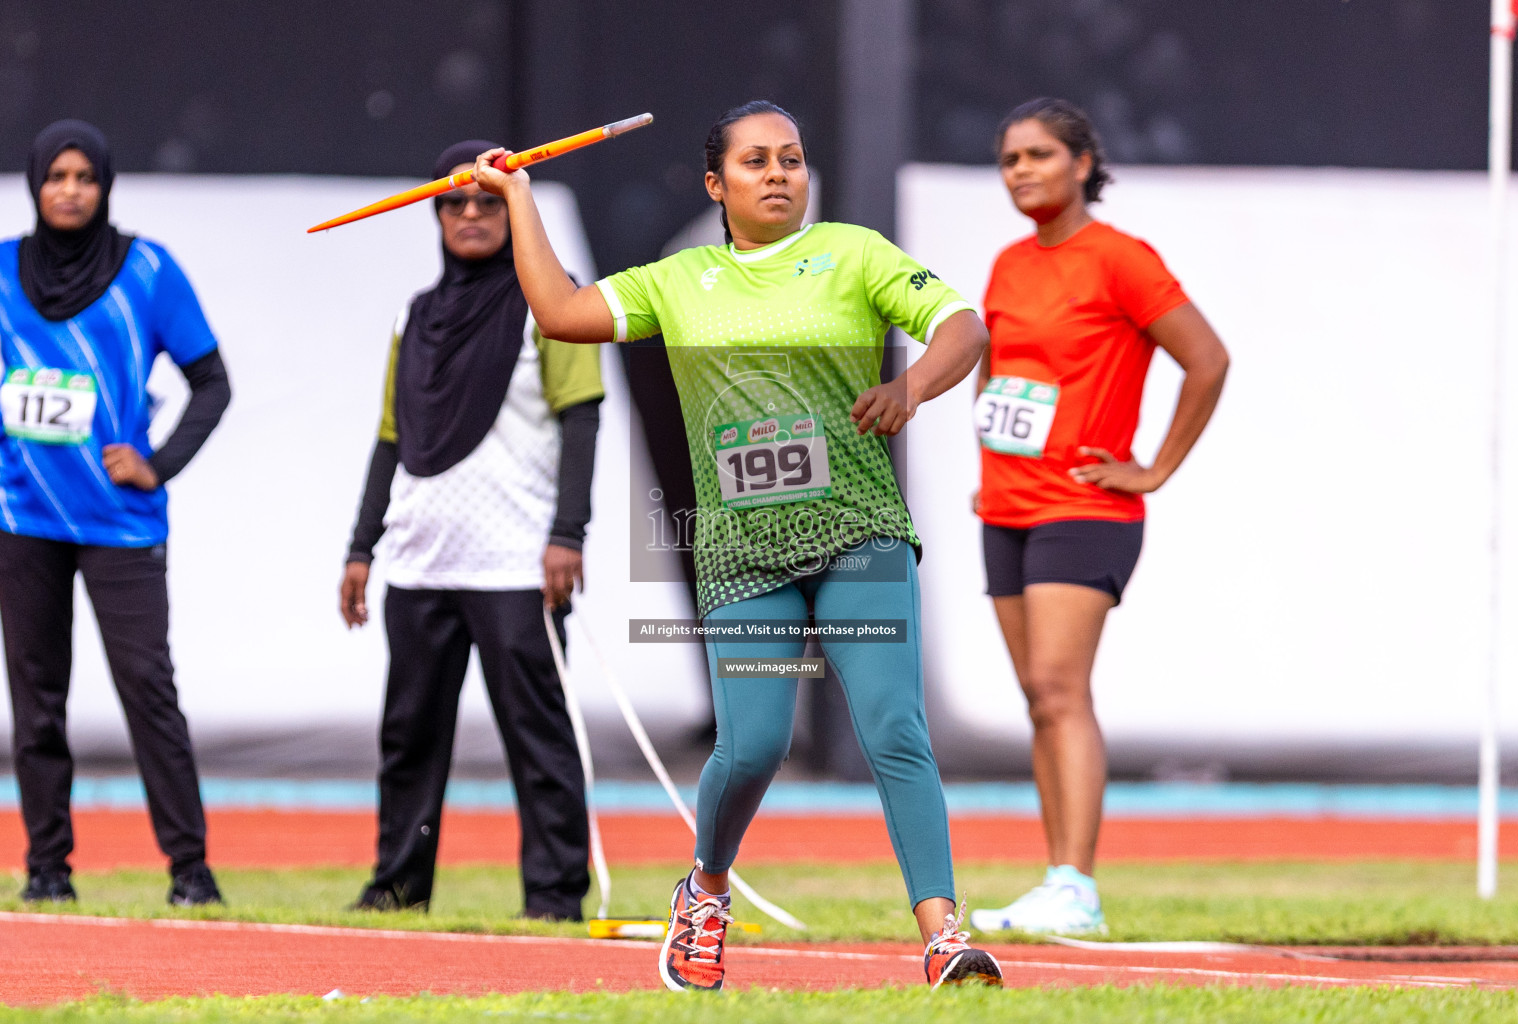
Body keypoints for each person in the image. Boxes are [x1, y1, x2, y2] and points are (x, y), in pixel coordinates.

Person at [471, 101, 1004, 991]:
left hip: (857, 533)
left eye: (791, 158)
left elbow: (966, 328)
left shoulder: (855, 253)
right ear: (717, 185)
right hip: (742, 552)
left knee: (894, 730)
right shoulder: (677, 281)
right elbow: (561, 312)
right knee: (752, 747)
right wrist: (518, 194)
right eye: (756, 162)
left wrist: (911, 385)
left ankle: (943, 937)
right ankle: (706, 891)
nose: (779, 174)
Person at [966, 99, 1229, 936]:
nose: (1022, 171)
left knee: (1057, 687)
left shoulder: (1119, 260)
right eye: (1009, 159)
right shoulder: (1008, 264)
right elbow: (1000, 373)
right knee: (1036, 699)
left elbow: (1208, 358)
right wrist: (987, 468)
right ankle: (1056, 879)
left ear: (1083, 163)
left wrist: (1153, 467)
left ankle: (1076, 883)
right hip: (1006, 508)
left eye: (1039, 155)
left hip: (1084, 506)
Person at [340, 140, 603, 921]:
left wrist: (569, 533)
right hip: (420, 557)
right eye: (456, 201)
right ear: (435, 212)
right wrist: (361, 548)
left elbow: (582, 417)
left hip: (519, 561)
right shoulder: (412, 317)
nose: (472, 214)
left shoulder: (552, 302)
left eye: (490, 200)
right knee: (408, 736)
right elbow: (391, 437)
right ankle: (397, 885)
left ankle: (554, 896)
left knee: (539, 737)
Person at [0, 119, 231, 906]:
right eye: (56, 176)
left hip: (121, 527)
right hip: (23, 522)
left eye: (84, 177)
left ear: (105, 186)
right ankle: (46, 870)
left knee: (147, 689)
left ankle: (190, 871)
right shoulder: (1, 270)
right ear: (36, 183)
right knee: (36, 703)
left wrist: (157, 464)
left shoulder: (149, 271)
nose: (69, 190)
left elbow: (213, 383)